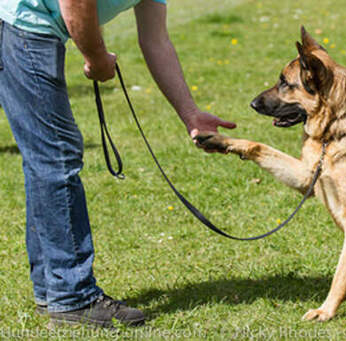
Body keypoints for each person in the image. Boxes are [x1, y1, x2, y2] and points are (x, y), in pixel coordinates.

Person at [0, 0, 236, 327]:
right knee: (56, 154)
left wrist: (190, 113)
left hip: (31, 28)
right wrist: (96, 57)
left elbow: (155, 40)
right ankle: (72, 297)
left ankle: (52, 290)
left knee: (47, 156)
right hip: (20, 25)